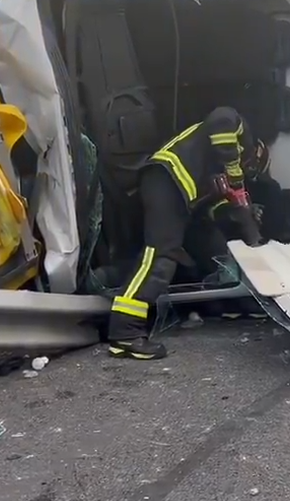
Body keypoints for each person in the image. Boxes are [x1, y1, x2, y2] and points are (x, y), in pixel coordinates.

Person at [106, 107, 262, 360]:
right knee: (161, 256)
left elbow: (216, 207)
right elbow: (220, 118)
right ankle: (125, 331)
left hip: (188, 200)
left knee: (215, 249)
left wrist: (242, 219)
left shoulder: (217, 167)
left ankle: (233, 303)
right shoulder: (237, 128)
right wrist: (235, 172)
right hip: (167, 180)